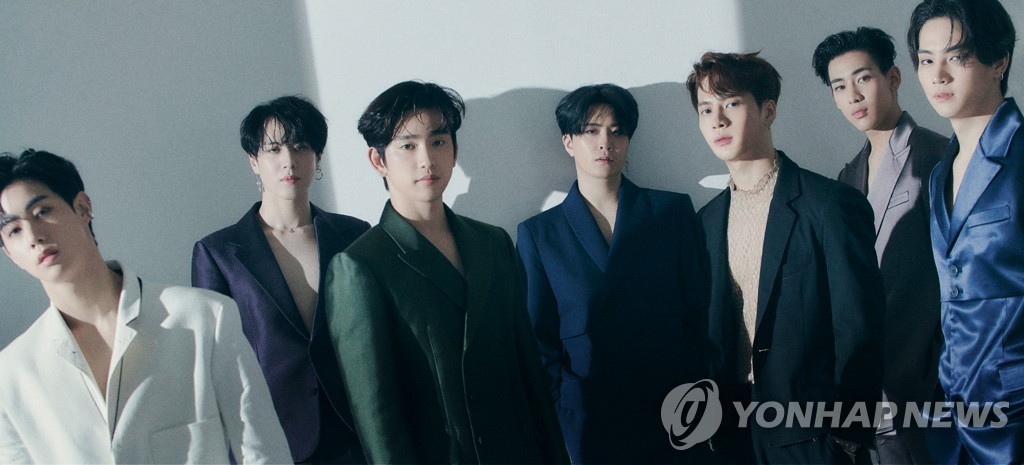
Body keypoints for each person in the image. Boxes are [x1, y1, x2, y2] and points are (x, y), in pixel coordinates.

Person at [324, 80, 569, 463]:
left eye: (438, 141)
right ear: (378, 160)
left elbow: (529, 372)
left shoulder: (493, 243)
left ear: (454, 150)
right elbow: (378, 417)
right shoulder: (360, 266)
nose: (427, 159)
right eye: (408, 146)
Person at [0, 149, 290, 463]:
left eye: (42, 211)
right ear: (9, 254)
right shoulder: (11, 375)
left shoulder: (203, 318)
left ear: (83, 208)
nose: (34, 235)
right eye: (14, 230)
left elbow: (265, 453)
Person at [686, 52, 884, 464]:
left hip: (814, 437)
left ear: (768, 110)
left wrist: (847, 439)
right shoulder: (705, 222)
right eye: (706, 109)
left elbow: (860, 329)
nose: (717, 120)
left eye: (731, 103)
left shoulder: (829, 205)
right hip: (734, 435)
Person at [516, 84, 711, 463]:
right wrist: (561, 411)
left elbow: (699, 312)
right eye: (591, 131)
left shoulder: (670, 212)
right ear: (569, 142)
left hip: (672, 411)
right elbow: (539, 341)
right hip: (588, 418)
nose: (605, 142)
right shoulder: (541, 234)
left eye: (617, 131)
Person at [192, 95, 369, 463]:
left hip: (354, 432)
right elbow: (214, 367)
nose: (289, 160)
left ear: (318, 157)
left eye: (300, 146)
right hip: (271, 437)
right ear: (253, 161)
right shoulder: (219, 253)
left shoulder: (353, 235)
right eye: (274, 149)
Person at [812, 27, 948, 464]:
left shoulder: (936, 155)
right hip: (870, 391)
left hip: (930, 385)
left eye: (863, 78)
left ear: (893, 77)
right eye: (839, 87)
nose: (852, 95)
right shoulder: (846, 178)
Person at [908, 0, 1023, 462]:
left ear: (999, 61)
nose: (938, 76)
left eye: (957, 57)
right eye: (926, 60)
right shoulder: (941, 171)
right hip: (956, 406)